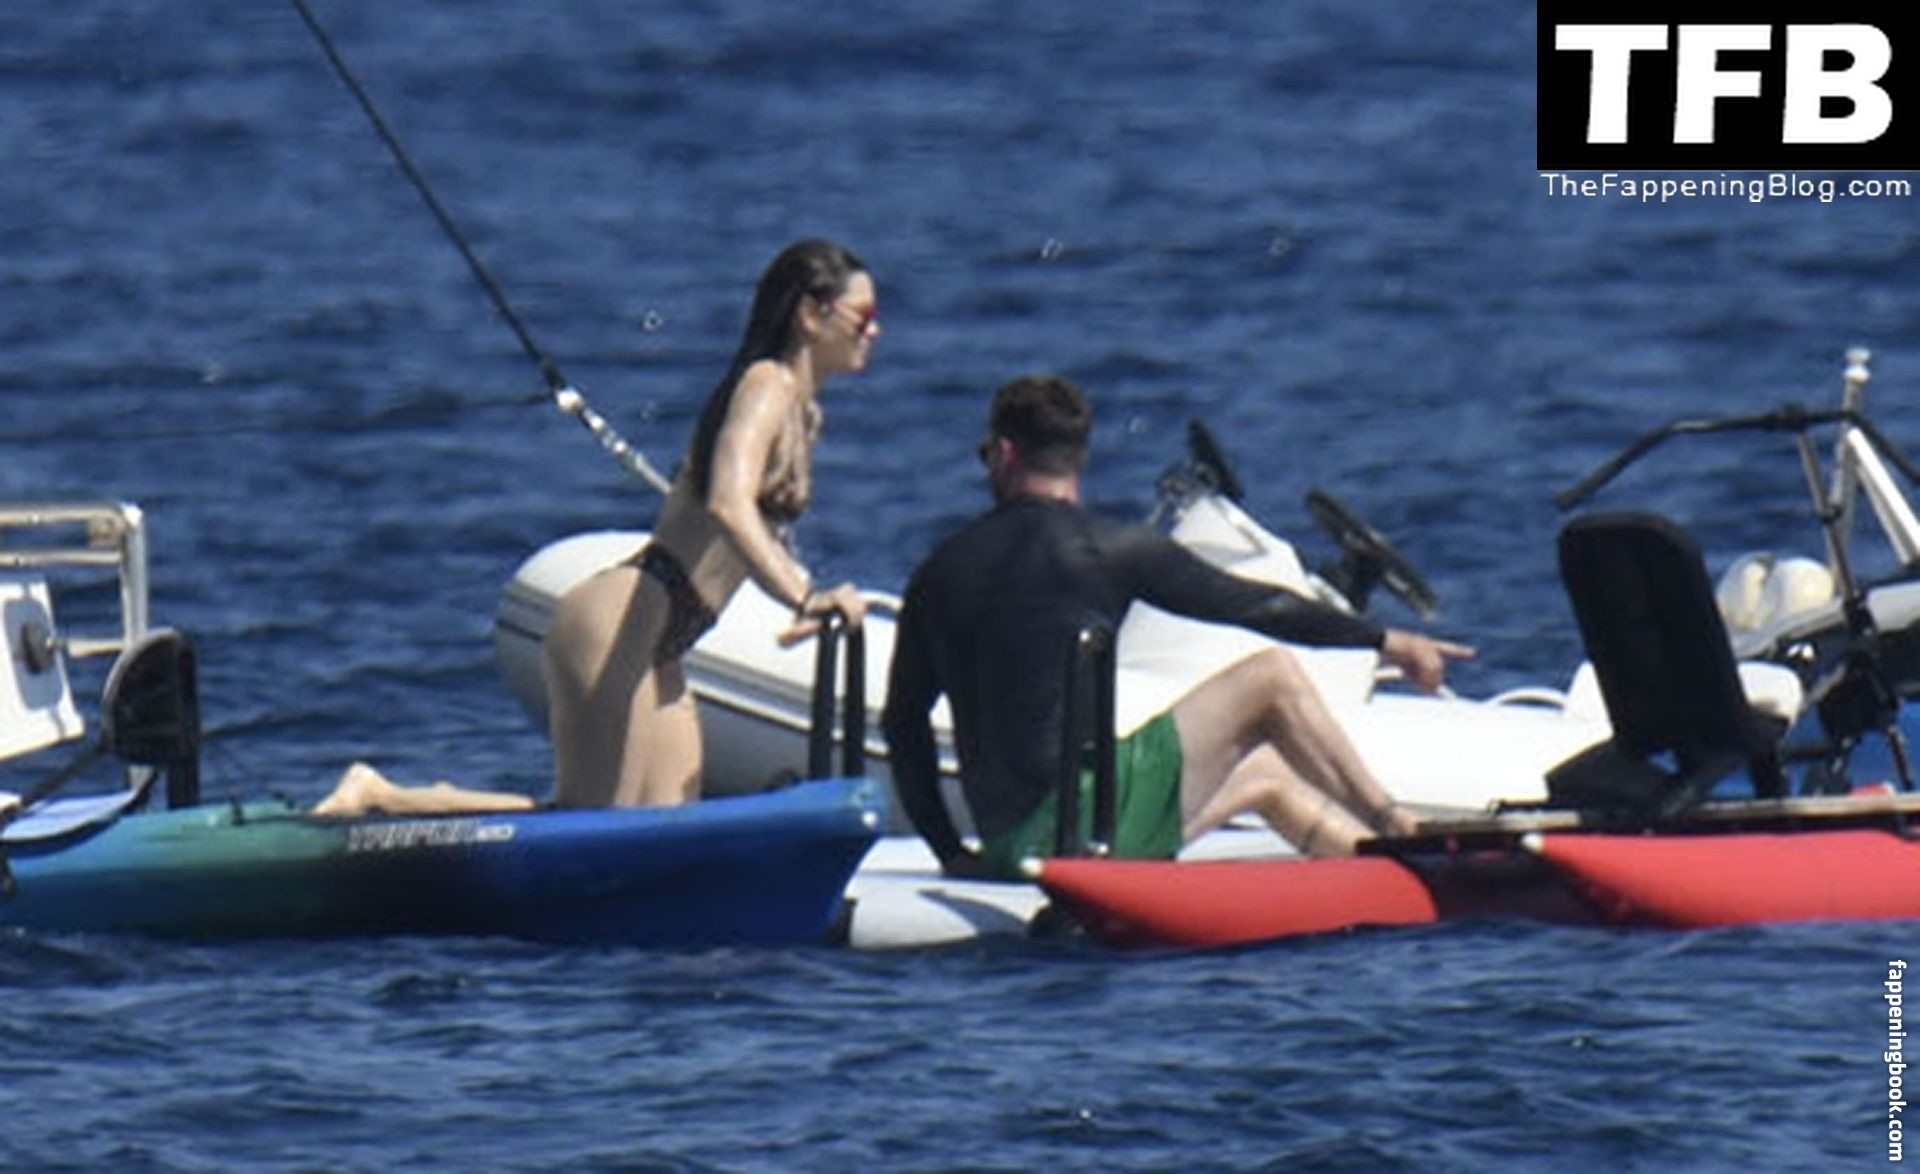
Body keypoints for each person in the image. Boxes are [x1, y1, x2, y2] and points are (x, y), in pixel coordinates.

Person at [316, 239, 880, 817]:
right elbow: (728, 505)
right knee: (588, 816)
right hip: (620, 620)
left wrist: (804, 604)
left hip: (667, 638)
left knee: (662, 829)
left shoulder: (801, 408)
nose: (874, 331)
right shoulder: (767, 386)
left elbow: (752, 529)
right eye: (864, 317)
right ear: (810, 314)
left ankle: (389, 798)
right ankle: (380, 796)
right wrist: (803, 595)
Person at [881, 375, 1473, 878]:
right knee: (1270, 678)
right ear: (1079, 459)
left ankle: (1394, 878)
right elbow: (1258, 607)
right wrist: (1385, 640)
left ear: (1005, 453)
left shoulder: (938, 571)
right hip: (1082, 832)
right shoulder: (1110, 548)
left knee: (1262, 776)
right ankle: (1398, 827)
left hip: (1009, 841)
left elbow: (903, 726)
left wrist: (951, 854)